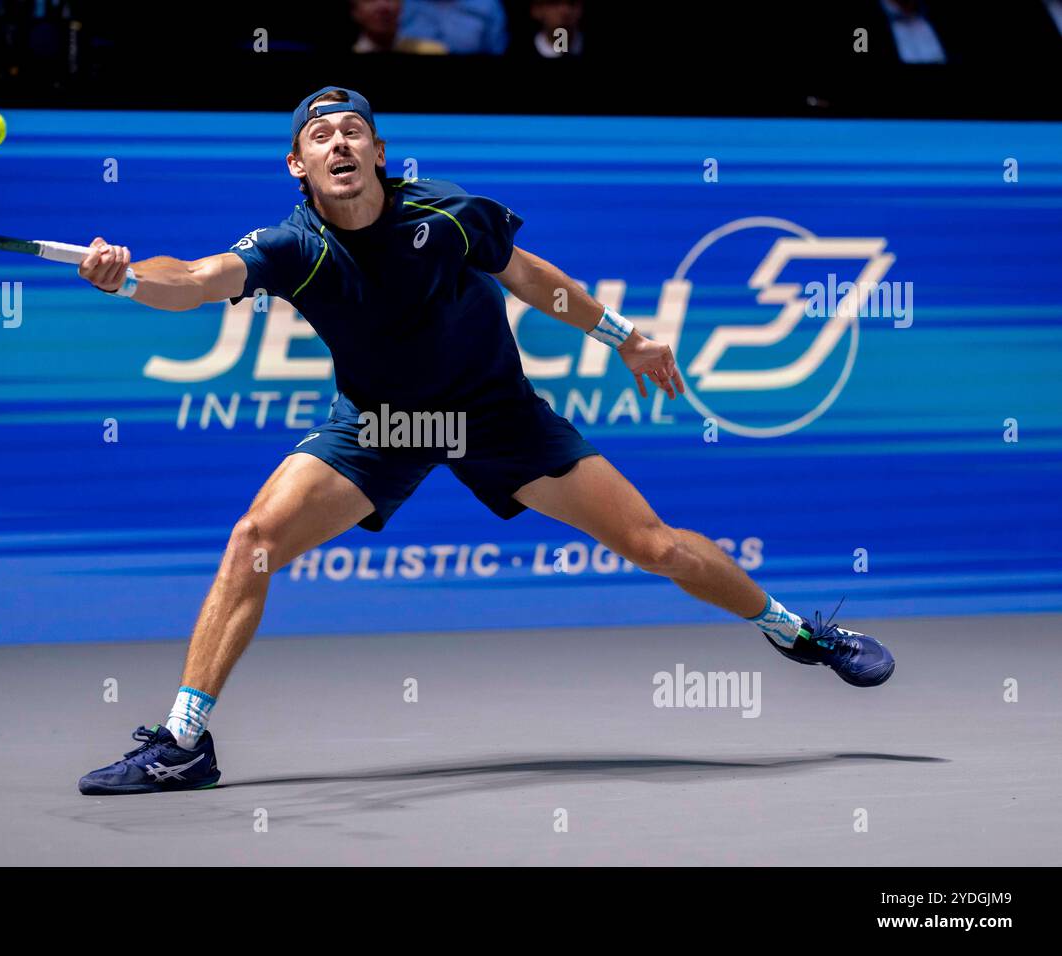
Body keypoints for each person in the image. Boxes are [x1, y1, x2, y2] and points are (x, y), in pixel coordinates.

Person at [75, 86, 895, 795]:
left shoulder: (446, 211)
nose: (339, 142)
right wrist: (131, 276)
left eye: (352, 130)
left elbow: (532, 277)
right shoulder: (293, 246)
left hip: (495, 415)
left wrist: (627, 337)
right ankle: (184, 745)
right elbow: (196, 278)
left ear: (379, 151)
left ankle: (800, 633)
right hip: (381, 426)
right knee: (252, 540)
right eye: (319, 135)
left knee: (658, 547)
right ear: (299, 166)